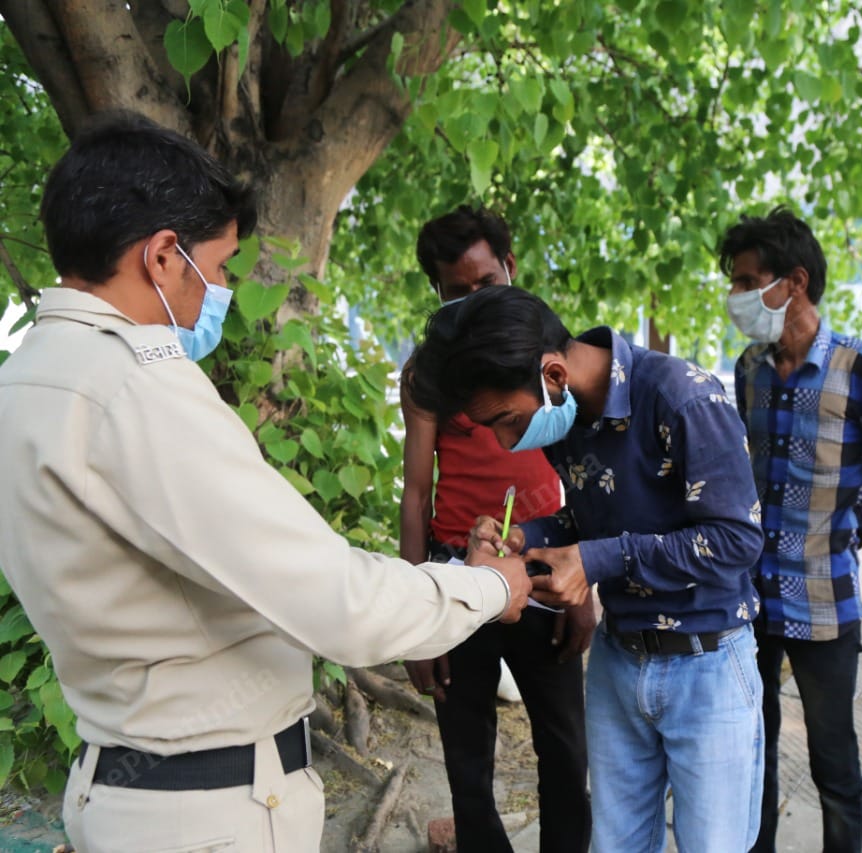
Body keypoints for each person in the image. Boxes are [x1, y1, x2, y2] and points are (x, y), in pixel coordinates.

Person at [0, 111, 531, 852]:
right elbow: (339, 602)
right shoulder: (136, 388)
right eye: (218, 267)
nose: (220, 289)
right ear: (163, 256)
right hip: (207, 810)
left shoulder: (25, 380)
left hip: (119, 788)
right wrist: (490, 586)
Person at [408, 286, 767, 853]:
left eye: (506, 421)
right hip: (620, 659)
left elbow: (736, 540)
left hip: (709, 665)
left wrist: (597, 559)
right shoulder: (570, 419)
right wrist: (527, 538)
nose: (506, 442)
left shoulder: (683, 397)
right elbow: (593, 517)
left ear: (553, 374)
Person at [720, 207, 862, 853]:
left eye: (748, 281)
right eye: (733, 281)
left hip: (826, 599)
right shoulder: (749, 368)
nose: (736, 295)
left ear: (795, 282)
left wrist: (840, 539)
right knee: (752, 747)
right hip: (751, 599)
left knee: (833, 758)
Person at [399, 206, 591, 852]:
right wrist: (419, 618)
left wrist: (584, 586)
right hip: (459, 576)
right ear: (438, 292)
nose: (475, 298)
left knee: (566, 747)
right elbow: (416, 492)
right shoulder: (429, 373)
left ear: (510, 267)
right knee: (466, 757)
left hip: (543, 570)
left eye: (486, 283)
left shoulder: (547, 356)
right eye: (458, 291)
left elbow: (583, 477)